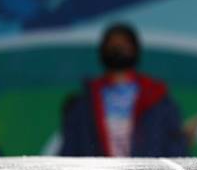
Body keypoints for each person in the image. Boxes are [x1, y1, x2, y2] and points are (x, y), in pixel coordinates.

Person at [60, 23, 186, 157]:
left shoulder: (158, 100)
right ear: (103, 50)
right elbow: (70, 152)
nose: (118, 48)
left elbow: (175, 149)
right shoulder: (83, 105)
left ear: (135, 49)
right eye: (112, 44)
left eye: (124, 44)